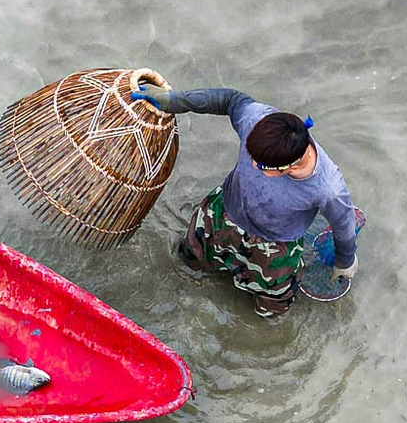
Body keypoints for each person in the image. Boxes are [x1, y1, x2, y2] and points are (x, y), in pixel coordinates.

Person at [128, 84, 360, 318]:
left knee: (270, 310)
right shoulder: (256, 120)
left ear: (291, 165)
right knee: (187, 262)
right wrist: (174, 100)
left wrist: (345, 260)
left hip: (273, 247)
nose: (252, 166)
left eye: (261, 166)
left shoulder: (328, 189)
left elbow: (344, 225)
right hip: (220, 213)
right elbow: (229, 100)